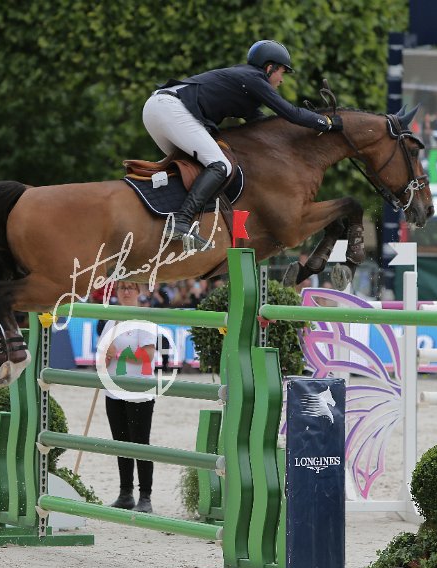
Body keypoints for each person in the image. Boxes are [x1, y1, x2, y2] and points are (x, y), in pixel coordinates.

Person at [143, 40, 341, 250]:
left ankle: (160, 216)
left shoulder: (244, 83)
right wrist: (327, 122)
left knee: (192, 170)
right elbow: (291, 113)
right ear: (269, 67)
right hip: (171, 110)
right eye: (282, 72)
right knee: (220, 164)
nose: (282, 79)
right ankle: (181, 222)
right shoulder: (254, 79)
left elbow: (264, 126)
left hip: (158, 109)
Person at [100, 281, 158, 513]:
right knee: (121, 443)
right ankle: (125, 493)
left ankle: (145, 496)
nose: (126, 292)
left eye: (130, 287)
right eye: (122, 287)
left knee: (140, 443)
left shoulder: (144, 320)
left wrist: (117, 354)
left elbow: (148, 355)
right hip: (113, 390)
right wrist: (105, 357)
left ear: (138, 292)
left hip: (139, 391)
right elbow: (102, 356)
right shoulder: (110, 321)